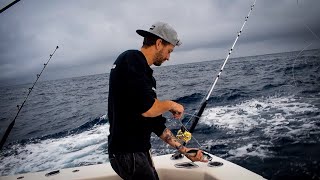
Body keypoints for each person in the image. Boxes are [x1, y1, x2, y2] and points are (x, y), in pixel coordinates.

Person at [107, 21, 207, 180]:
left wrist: (185, 151)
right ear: (159, 43)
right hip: (129, 154)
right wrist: (171, 104)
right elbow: (148, 109)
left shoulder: (144, 74)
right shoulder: (132, 58)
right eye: (169, 51)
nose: (168, 57)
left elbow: (154, 122)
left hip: (135, 153)